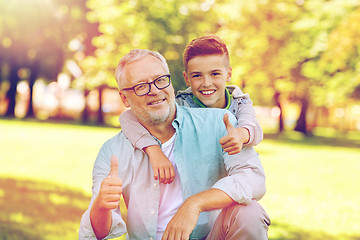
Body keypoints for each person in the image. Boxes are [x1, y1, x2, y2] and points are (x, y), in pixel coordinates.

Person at [79, 49, 270, 240]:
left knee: (249, 212)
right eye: (141, 86)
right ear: (124, 99)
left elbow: (253, 178)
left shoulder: (219, 123)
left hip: (210, 236)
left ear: (170, 82)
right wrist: (102, 206)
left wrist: (195, 203)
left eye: (160, 80)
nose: (154, 90)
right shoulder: (113, 151)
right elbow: (97, 233)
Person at [119, 35, 263, 184]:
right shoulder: (182, 104)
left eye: (215, 74)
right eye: (197, 76)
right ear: (187, 78)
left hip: (230, 178)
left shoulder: (239, 102)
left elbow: (253, 127)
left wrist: (241, 135)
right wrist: (153, 150)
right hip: (197, 180)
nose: (206, 83)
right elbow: (127, 118)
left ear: (229, 74)